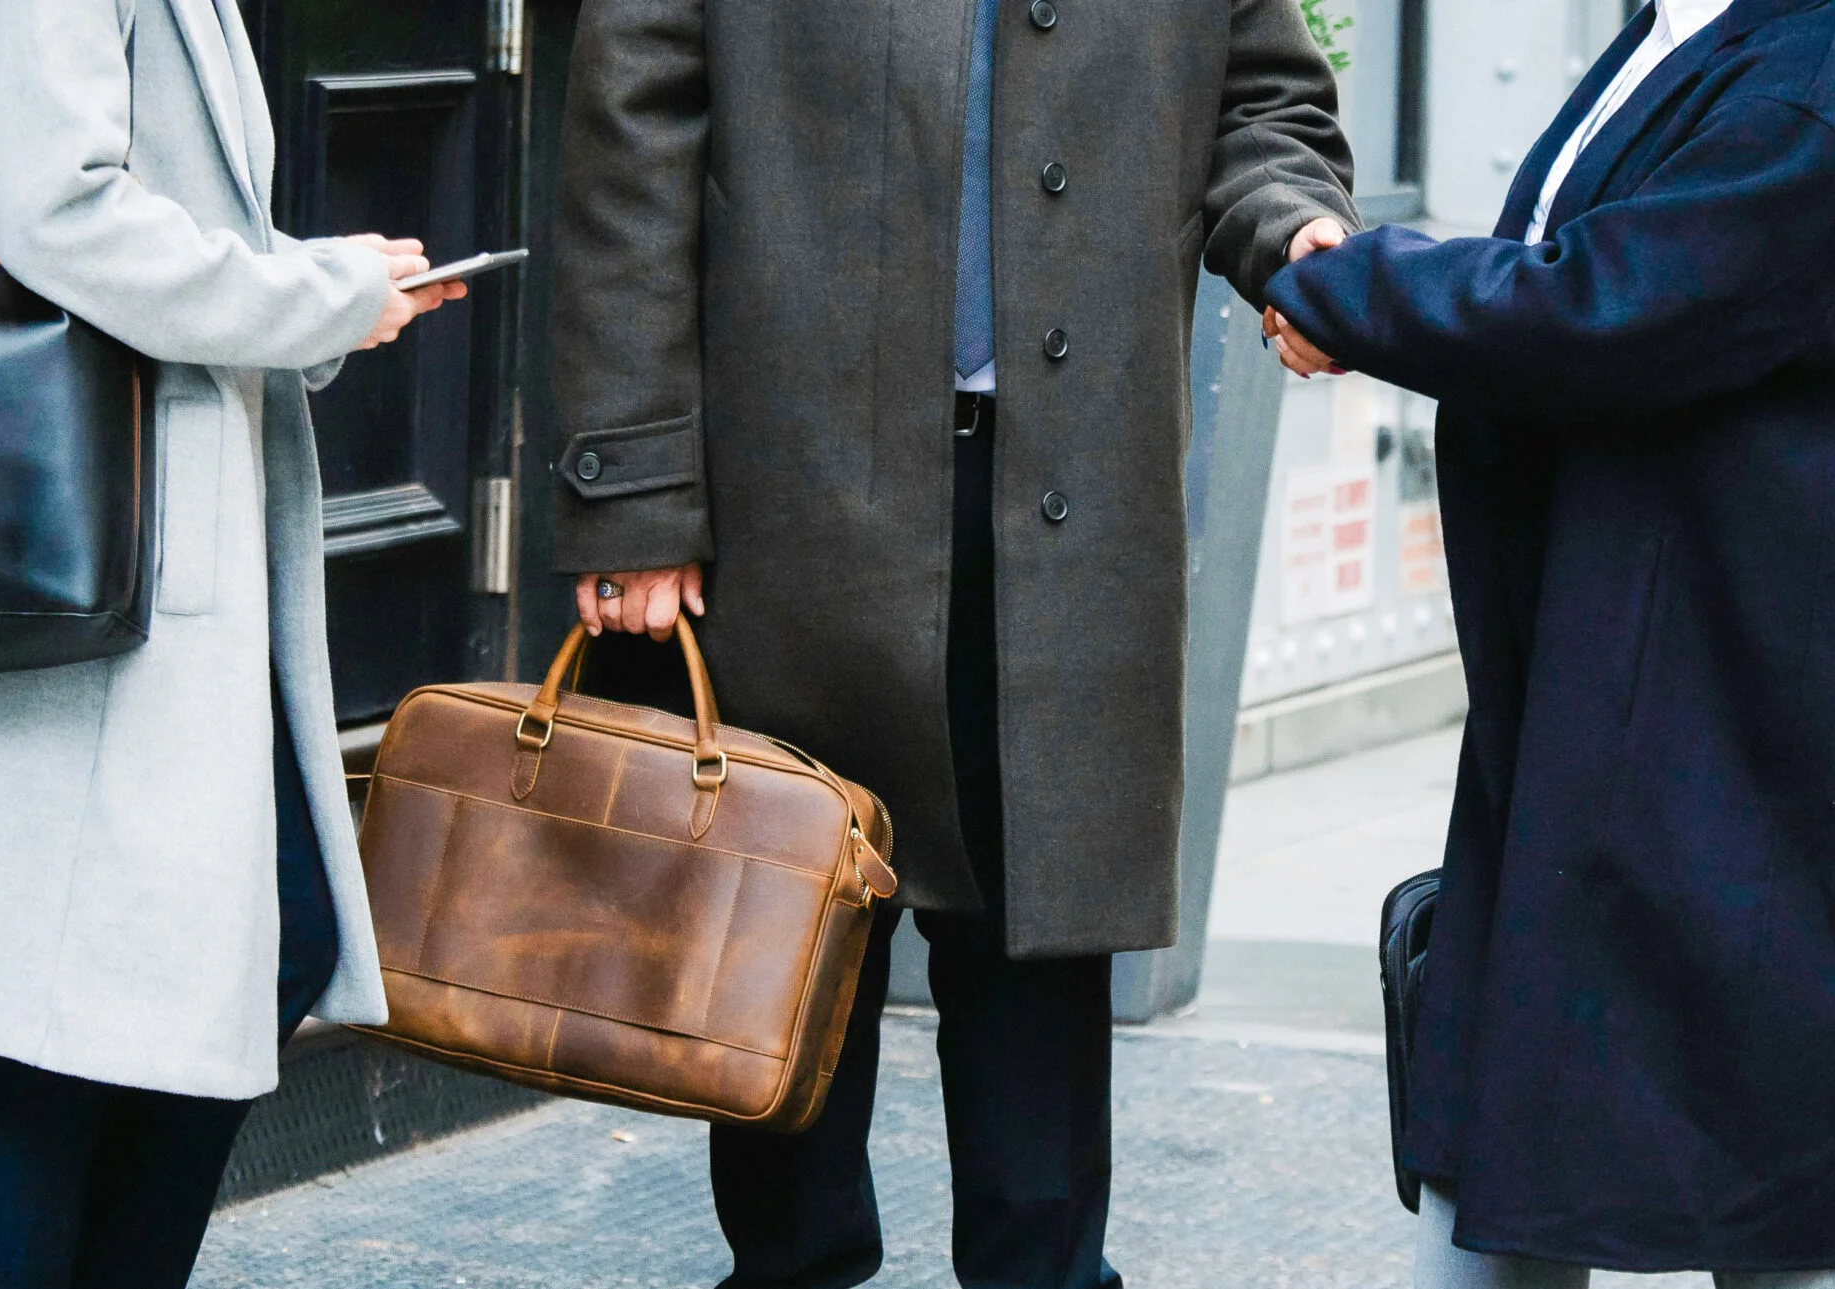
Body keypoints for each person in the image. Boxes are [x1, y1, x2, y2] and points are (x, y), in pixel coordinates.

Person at [549, 2, 1356, 1285]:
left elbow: (1263, 107)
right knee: (779, 958)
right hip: (783, 508)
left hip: (1068, 508)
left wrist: (1295, 234)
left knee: (1038, 955)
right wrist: (635, 492)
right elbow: (627, 148)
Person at [1263, 0, 1835, 1285]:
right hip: (1614, 659)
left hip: (1730, 691)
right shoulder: (1683, 31)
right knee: (1523, 1090)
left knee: (1757, 1136)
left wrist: (1356, 288)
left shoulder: (1820, 76)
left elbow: (1610, 307)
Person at [0, 0, 463, 1283]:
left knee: (183, 967)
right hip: (80, 528)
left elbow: (157, 209)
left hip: (146, 528)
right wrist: (313, 295)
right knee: (54, 1018)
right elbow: (61, 217)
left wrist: (332, 287)